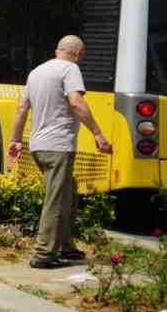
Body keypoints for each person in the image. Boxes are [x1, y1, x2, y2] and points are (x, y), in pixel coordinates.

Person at [8, 36, 113, 270]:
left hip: (39, 146)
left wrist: (15, 140)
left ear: (58, 50)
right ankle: (44, 253)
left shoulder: (36, 72)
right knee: (56, 201)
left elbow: (22, 108)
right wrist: (97, 133)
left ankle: (65, 246)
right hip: (58, 146)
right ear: (79, 54)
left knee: (68, 194)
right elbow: (76, 102)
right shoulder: (70, 69)